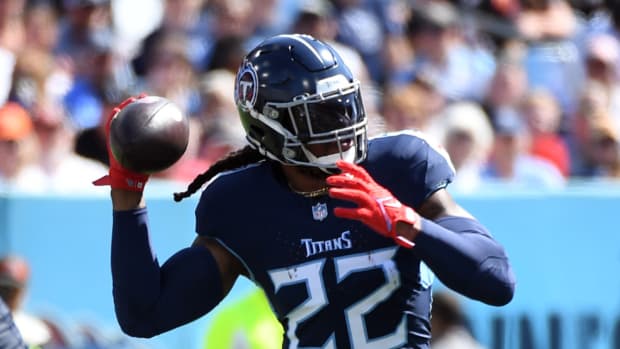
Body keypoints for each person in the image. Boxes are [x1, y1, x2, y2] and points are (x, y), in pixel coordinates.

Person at [95, 34, 515, 348]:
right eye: (322, 116)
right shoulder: (242, 205)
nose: (343, 126)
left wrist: (411, 224)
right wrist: (128, 194)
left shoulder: (399, 167)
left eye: (345, 107)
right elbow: (145, 315)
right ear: (272, 128)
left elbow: (497, 281)